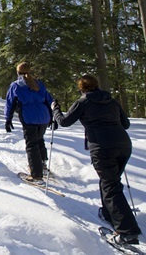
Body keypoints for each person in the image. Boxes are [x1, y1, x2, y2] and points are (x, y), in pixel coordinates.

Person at [52, 74, 141, 245]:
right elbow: (126, 124)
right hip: (123, 145)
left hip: (102, 147)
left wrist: (55, 109)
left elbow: (64, 122)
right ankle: (109, 214)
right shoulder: (111, 100)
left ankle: (127, 232)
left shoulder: (83, 102)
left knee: (110, 186)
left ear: (81, 88)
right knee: (110, 182)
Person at [4, 62, 54, 182]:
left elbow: (10, 102)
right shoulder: (38, 83)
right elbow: (49, 100)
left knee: (31, 145)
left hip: (29, 117)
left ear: (18, 72)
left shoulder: (16, 85)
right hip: (44, 116)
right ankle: (42, 165)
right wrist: (52, 117)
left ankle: (36, 174)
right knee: (39, 139)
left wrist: (8, 119)